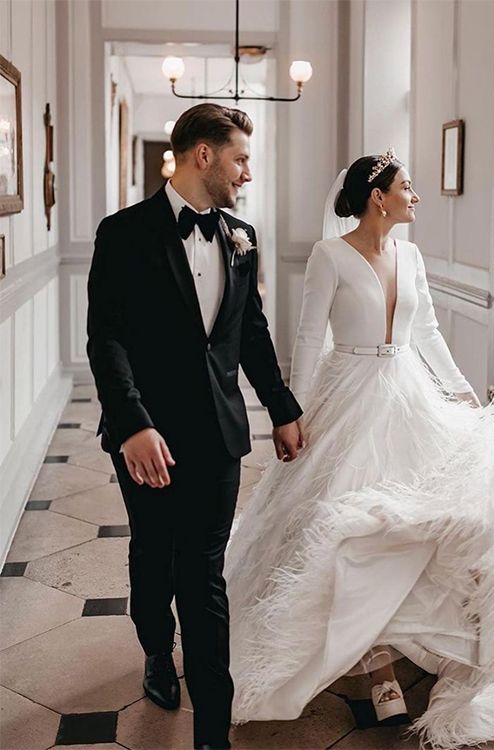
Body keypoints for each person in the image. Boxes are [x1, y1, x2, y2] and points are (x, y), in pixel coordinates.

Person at [225, 149, 494, 748]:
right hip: (349, 396)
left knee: (418, 523)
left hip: (408, 393)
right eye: (407, 187)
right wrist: (298, 412)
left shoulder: (409, 255)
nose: (416, 196)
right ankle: (376, 665)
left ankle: (415, 639)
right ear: (377, 197)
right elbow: (310, 337)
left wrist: (463, 393)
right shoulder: (329, 255)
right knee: (347, 523)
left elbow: (429, 333)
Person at [86, 103, 303, 750]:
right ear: (203, 156)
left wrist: (281, 406)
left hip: (219, 433)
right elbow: (107, 338)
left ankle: (212, 729)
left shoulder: (243, 234)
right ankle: (157, 650)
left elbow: (251, 332)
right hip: (147, 437)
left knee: (204, 575)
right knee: (155, 560)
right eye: (240, 159)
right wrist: (132, 425)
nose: (247, 174)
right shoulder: (123, 232)